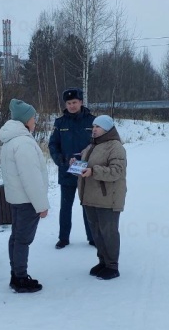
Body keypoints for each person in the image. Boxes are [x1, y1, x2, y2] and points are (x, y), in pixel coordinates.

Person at [0, 98, 50, 293]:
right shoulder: (23, 143)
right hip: (27, 200)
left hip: (17, 199)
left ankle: (16, 274)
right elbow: (31, 178)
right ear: (25, 120)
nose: (35, 121)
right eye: (33, 118)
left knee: (17, 237)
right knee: (22, 239)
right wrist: (41, 205)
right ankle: (20, 278)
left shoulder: (11, 140)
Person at [77, 114, 127, 280]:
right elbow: (86, 165)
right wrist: (76, 165)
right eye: (93, 126)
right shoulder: (92, 146)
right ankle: (102, 262)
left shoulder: (115, 146)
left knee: (108, 232)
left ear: (107, 128)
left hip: (108, 198)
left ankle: (112, 266)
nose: (94, 129)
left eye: (97, 126)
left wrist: (94, 171)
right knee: (97, 232)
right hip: (90, 197)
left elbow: (117, 171)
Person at [48, 87, 96, 249]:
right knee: (66, 207)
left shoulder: (92, 121)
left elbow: (100, 144)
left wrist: (90, 155)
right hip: (67, 171)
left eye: (74, 102)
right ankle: (63, 238)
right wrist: (62, 160)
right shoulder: (60, 123)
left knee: (88, 205)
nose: (72, 106)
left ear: (81, 102)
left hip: (87, 171)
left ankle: (92, 238)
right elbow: (53, 145)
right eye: (69, 103)